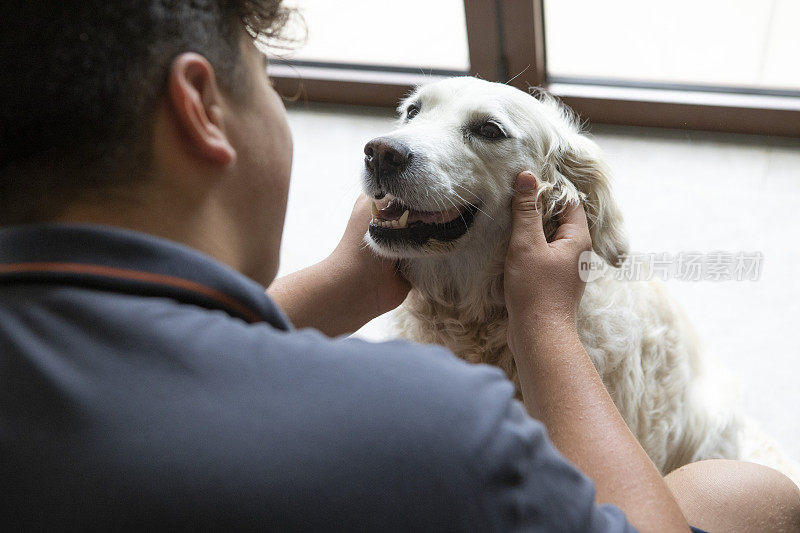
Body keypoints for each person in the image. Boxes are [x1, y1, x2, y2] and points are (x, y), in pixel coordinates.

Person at [1, 1, 798, 531]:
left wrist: (323, 291)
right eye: (269, 85)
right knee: (753, 495)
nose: (394, 145)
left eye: (477, 128)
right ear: (201, 106)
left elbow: (167, 359)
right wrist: (545, 323)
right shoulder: (428, 417)